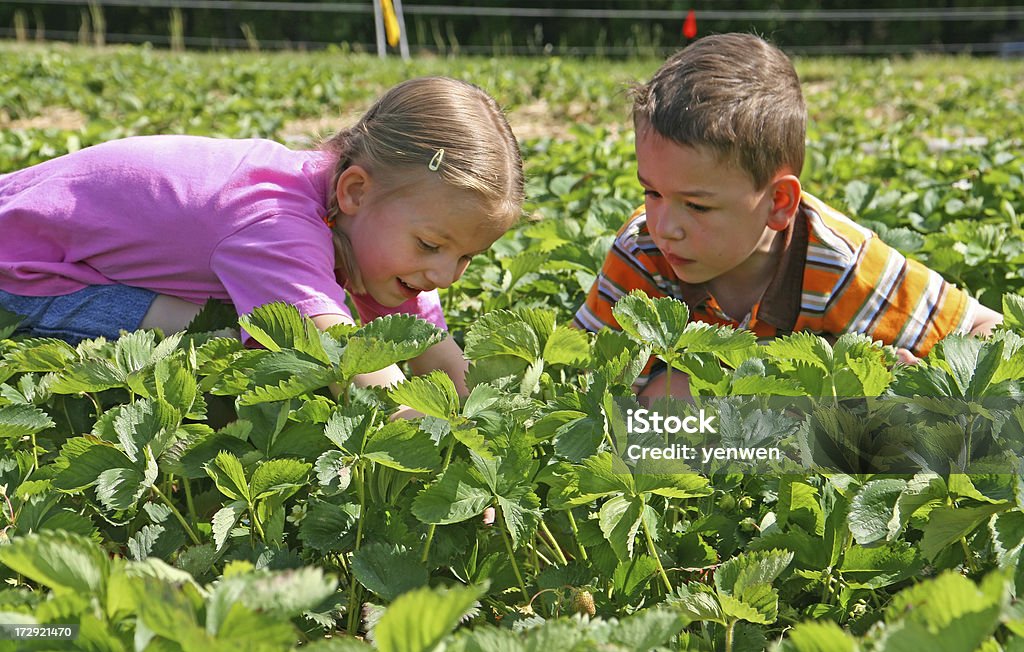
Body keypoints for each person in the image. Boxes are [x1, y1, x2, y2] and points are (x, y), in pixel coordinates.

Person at [0, 76, 524, 396]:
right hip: (23, 273)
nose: (443, 276)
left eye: (466, 257)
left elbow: (434, 352)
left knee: (268, 325)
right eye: (432, 247)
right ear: (354, 192)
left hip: (41, 235)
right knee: (243, 339)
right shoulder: (280, 227)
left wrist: (478, 419)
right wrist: (424, 431)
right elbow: (342, 359)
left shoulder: (372, 218)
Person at [573, 33, 1002, 398]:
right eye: (652, 191)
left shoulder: (839, 262)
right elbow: (588, 380)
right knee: (675, 394)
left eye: (698, 205)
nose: (665, 227)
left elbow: (987, 328)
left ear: (778, 203)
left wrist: (922, 383)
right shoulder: (641, 248)